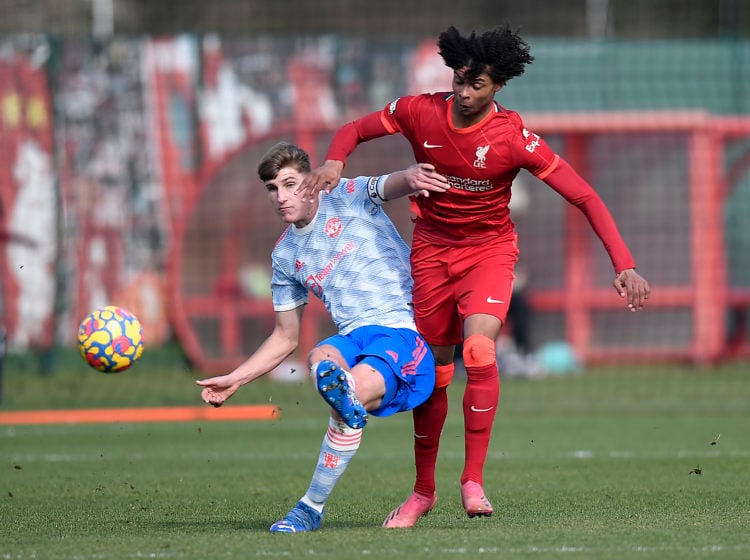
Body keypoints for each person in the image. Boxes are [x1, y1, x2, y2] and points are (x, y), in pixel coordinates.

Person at [298, 24, 651, 528]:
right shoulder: (420, 110)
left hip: (488, 253)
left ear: (498, 86)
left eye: (476, 85)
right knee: (435, 373)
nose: (464, 93)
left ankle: (473, 480)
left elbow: (584, 195)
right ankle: (423, 492)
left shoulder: (513, 138)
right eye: (460, 81)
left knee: (480, 352)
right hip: (432, 254)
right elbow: (355, 128)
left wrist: (624, 263)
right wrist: (335, 160)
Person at [196, 142, 449, 532]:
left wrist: (412, 177)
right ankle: (342, 406)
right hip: (353, 338)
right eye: (272, 189)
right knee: (320, 356)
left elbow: (392, 184)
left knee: (345, 385)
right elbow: (284, 337)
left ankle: (309, 507)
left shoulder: (347, 195)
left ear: (310, 181)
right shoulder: (284, 256)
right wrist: (236, 378)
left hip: (401, 333)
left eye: (290, 184)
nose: (281, 197)